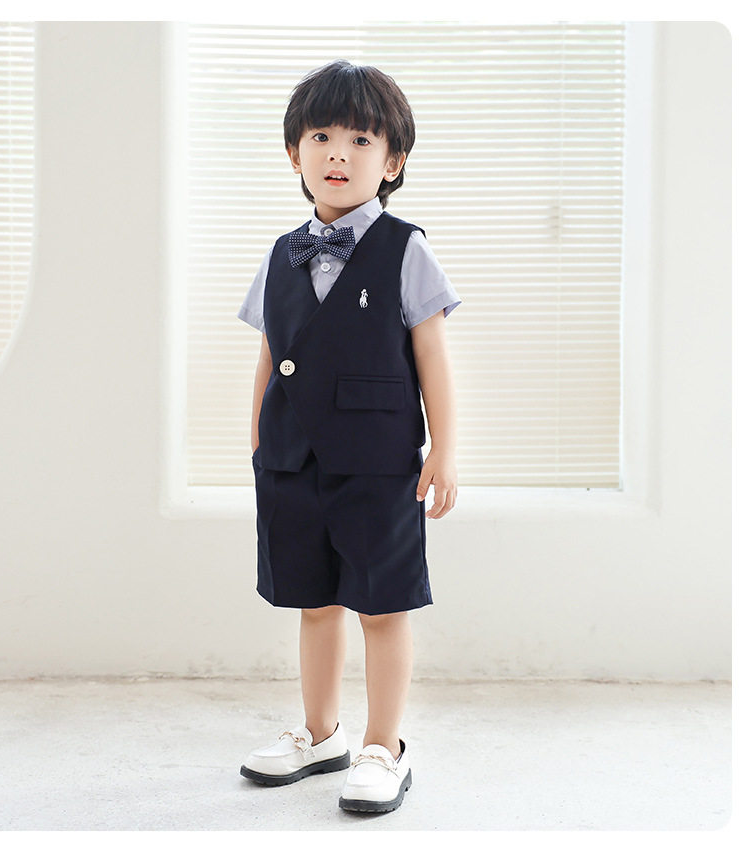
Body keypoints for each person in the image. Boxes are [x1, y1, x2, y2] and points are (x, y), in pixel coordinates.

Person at [236, 59, 461, 814]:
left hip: (377, 462)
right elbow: (270, 353)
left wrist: (446, 450)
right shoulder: (280, 254)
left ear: (392, 161)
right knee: (313, 602)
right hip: (292, 460)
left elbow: (432, 357)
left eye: (362, 140)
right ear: (293, 153)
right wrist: (259, 444)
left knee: (382, 605)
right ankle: (319, 733)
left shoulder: (406, 249)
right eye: (322, 137)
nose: (339, 153)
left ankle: (383, 746)